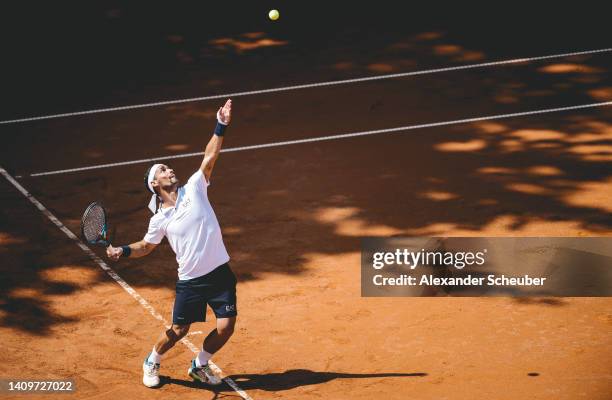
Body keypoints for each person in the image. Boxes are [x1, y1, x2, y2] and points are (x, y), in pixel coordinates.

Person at [106, 99, 237, 388]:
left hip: (219, 272)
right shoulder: (159, 219)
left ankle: (200, 364)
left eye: (168, 168)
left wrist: (221, 124)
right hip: (191, 280)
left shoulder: (195, 187)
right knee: (179, 330)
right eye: (162, 170)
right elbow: (147, 246)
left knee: (226, 326)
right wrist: (123, 251)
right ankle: (152, 359)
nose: (169, 170)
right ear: (155, 184)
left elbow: (210, 157)